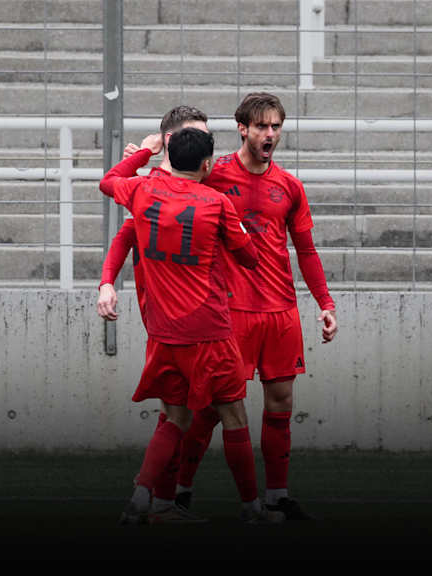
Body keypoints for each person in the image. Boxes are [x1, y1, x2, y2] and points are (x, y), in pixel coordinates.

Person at [99, 127, 282, 525]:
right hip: (209, 332)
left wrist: (142, 154)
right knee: (234, 417)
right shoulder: (216, 202)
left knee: (175, 418)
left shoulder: (143, 190)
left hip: (164, 334)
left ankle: (139, 499)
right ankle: (253, 510)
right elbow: (250, 258)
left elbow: (108, 181)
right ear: (205, 164)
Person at [173, 92, 336, 520]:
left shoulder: (290, 186)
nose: (270, 134)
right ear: (242, 128)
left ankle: (276, 495)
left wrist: (324, 302)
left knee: (281, 401)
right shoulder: (214, 174)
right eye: (262, 126)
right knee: (210, 408)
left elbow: (306, 250)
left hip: (280, 311)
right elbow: (175, 200)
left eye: (276, 126)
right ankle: (180, 489)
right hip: (229, 313)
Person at [97, 106, 214, 519]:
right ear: (169, 140)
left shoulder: (201, 179)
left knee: (192, 410)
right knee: (181, 410)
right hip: (173, 316)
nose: (202, 144)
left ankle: (163, 498)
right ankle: (159, 498)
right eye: (192, 135)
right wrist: (108, 281)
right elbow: (125, 236)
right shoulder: (150, 186)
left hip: (202, 314)